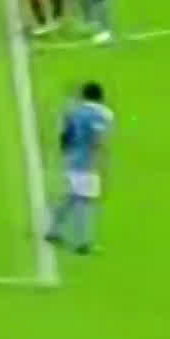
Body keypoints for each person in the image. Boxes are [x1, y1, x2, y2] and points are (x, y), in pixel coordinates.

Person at [45, 80, 112, 255]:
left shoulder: (73, 112)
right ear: (100, 97)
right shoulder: (100, 115)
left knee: (72, 198)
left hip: (71, 159)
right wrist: (102, 161)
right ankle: (83, 243)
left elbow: (63, 137)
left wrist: (67, 155)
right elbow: (98, 139)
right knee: (84, 201)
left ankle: (52, 230)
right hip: (86, 162)